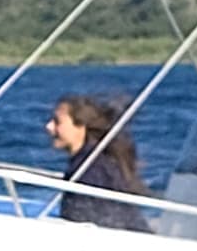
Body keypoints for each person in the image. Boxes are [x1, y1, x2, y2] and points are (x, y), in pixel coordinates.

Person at [45, 92, 147, 232]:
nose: (49, 127)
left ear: (80, 126)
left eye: (57, 122)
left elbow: (93, 218)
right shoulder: (89, 161)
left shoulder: (92, 170)